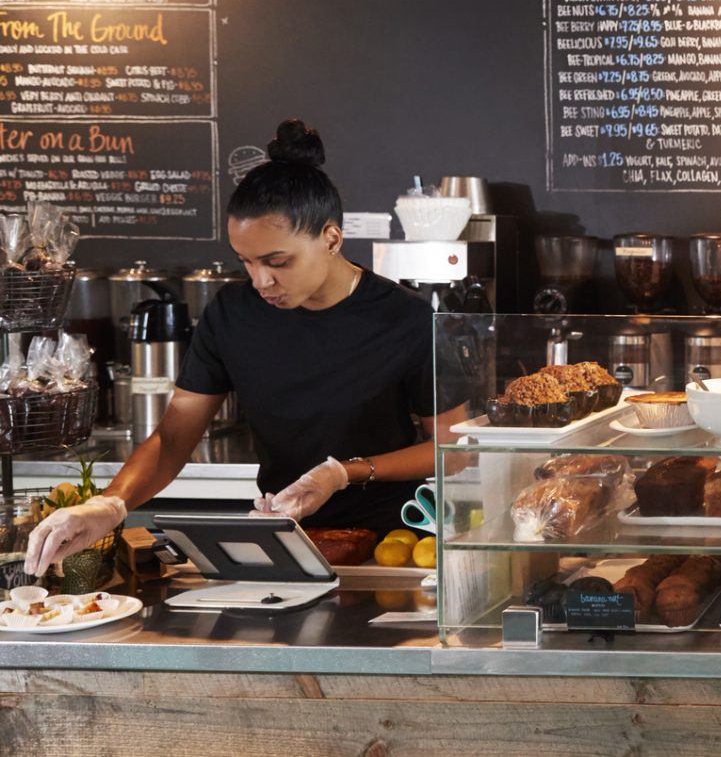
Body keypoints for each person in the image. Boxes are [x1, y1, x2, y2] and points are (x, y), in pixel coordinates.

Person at [25, 120, 468, 575]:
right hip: (282, 540)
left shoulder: (406, 320)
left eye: (278, 262)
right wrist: (110, 505)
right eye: (247, 262)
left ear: (332, 239)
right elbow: (174, 438)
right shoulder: (232, 314)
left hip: (391, 546)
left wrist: (341, 473)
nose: (261, 281)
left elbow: (453, 448)